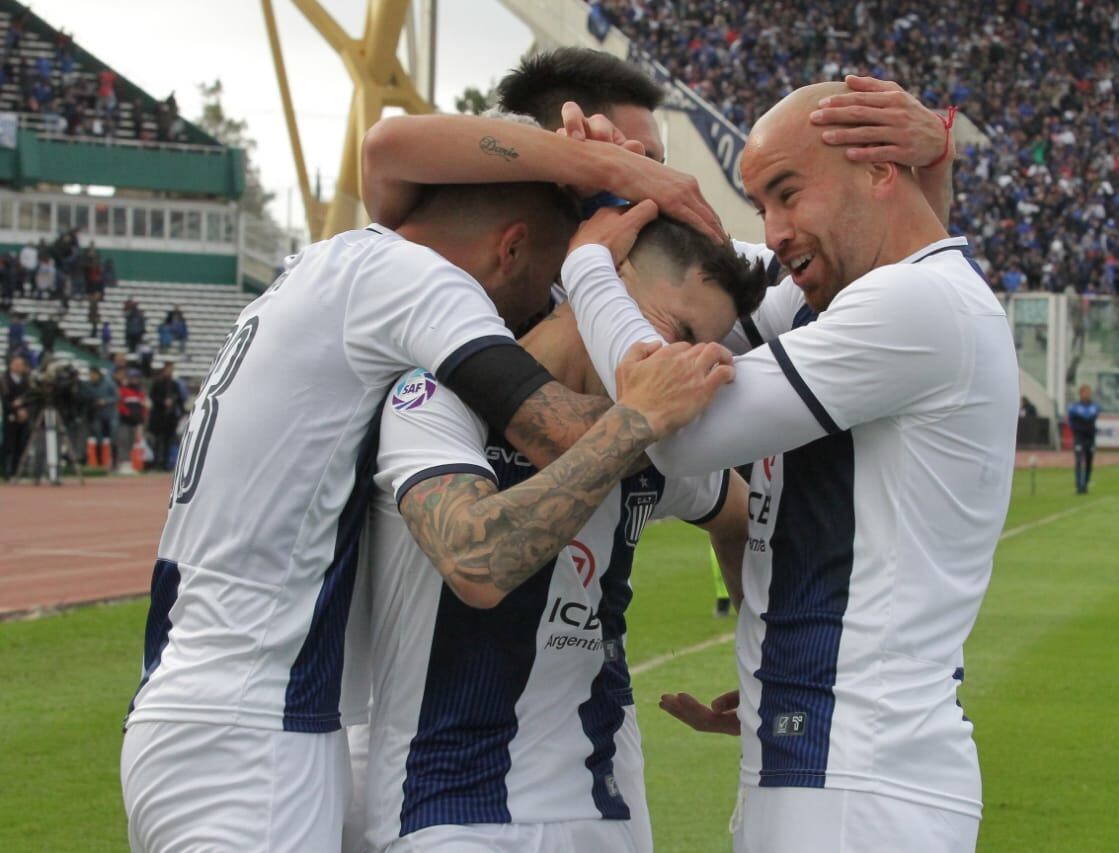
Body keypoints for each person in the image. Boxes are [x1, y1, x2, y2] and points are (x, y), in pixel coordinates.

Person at [119, 128, 731, 851]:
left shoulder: (333, 262)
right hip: (253, 724)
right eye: (547, 283)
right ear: (512, 249)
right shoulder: (420, 280)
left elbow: (386, 150)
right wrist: (671, 402)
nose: (536, 309)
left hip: (215, 703)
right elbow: (552, 432)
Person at [560, 80, 1017, 852]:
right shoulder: (838, 296)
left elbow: (671, 430)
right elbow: (704, 270)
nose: (771, 231)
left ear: (878, 171)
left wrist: (586, 265)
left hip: (859, 778)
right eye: (758, 204)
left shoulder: (916, 304)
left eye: (786, 193)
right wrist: (622, 176)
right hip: (822, 764)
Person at [361, 216, 760, 853]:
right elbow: (476, 560)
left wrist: (758, 656)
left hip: (603, 813)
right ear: (607, 283)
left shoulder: (659, 444)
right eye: (677, 331)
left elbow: (744, 520)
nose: (679, 363)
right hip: (449, 810)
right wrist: (635, 421)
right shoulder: (438, 398)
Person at [146, 362, 182, 471]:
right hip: (159, 417)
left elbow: (179, 398)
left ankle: (165, 463)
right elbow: (152, 396)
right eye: (168, 369)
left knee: (168, 441)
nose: (169, 372)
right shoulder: (157, 383)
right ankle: (156, 463)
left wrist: (174, 402)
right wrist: (163, 402)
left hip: (170, 419)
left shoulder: (174, 384)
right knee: (157, 441)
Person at [81, 365, 118, 469]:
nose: (92, 377)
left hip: (110, 414)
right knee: (98, 438)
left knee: (113, 438)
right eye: (90, 375)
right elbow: (86, 397)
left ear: (98, 374)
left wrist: (106, 401)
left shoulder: (109, 383)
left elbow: (117, 397)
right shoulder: (89, 385)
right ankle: (99, 463)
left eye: (93, 374)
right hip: (97, 415)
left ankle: (114, 462)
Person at [2, 355, 31, 479]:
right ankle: (7, 471)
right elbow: (4, 401)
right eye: (17, 364)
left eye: (21, 365)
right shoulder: (3, 380)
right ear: (11, 365)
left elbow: (30, 397)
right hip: (9, 416)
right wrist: (14, 410)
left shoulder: (26, 380)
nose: (19, 367)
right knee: (9, 444)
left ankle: (19, 470)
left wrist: (25, 410)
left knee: (22, 443)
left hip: (24, 416)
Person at [1067, 384, 1100, 494]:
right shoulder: (1074, 407)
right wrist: (1076, 430)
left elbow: (1092, 414)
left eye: (1088, 392)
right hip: (1079, 437)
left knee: (1089, 461)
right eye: (1085, 392)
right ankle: (1079, 485)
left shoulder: (1094, 406)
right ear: (1080, 394)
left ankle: (1085, 483)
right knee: (1079, 460)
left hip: (1090, 438)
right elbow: (1071, 420)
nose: (1087, 395)